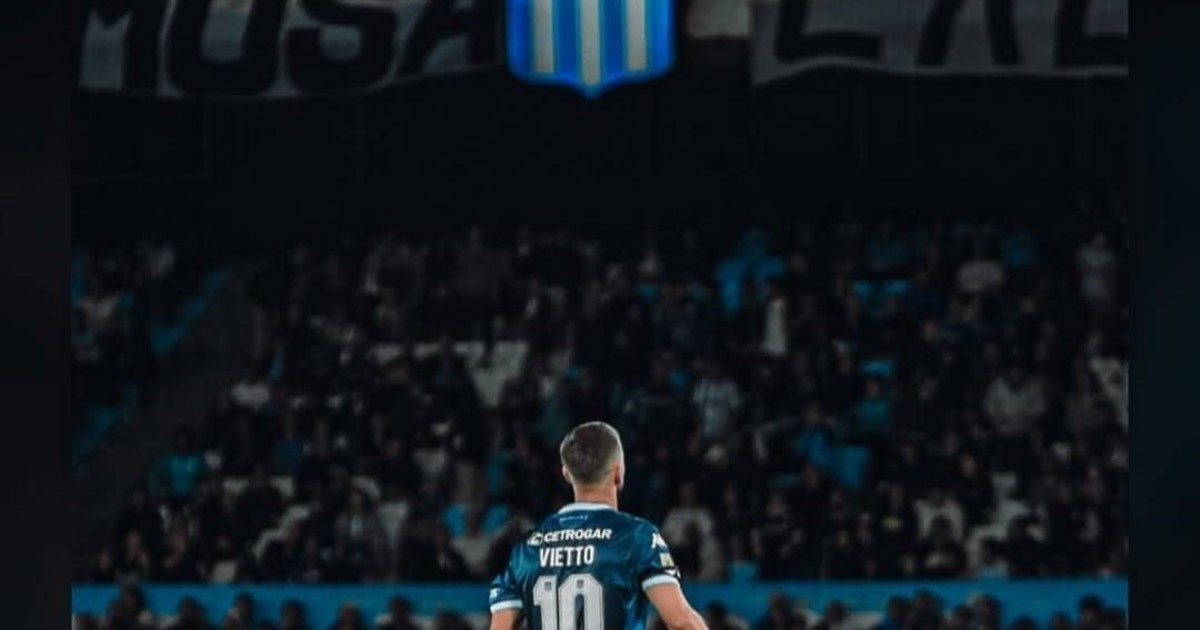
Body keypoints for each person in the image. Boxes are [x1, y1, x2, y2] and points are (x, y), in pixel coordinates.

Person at [488, 421, 708, 630]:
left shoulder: (527, 548)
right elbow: (681, 623)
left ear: (566, 474)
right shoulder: (636, 537)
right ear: (619, 472)